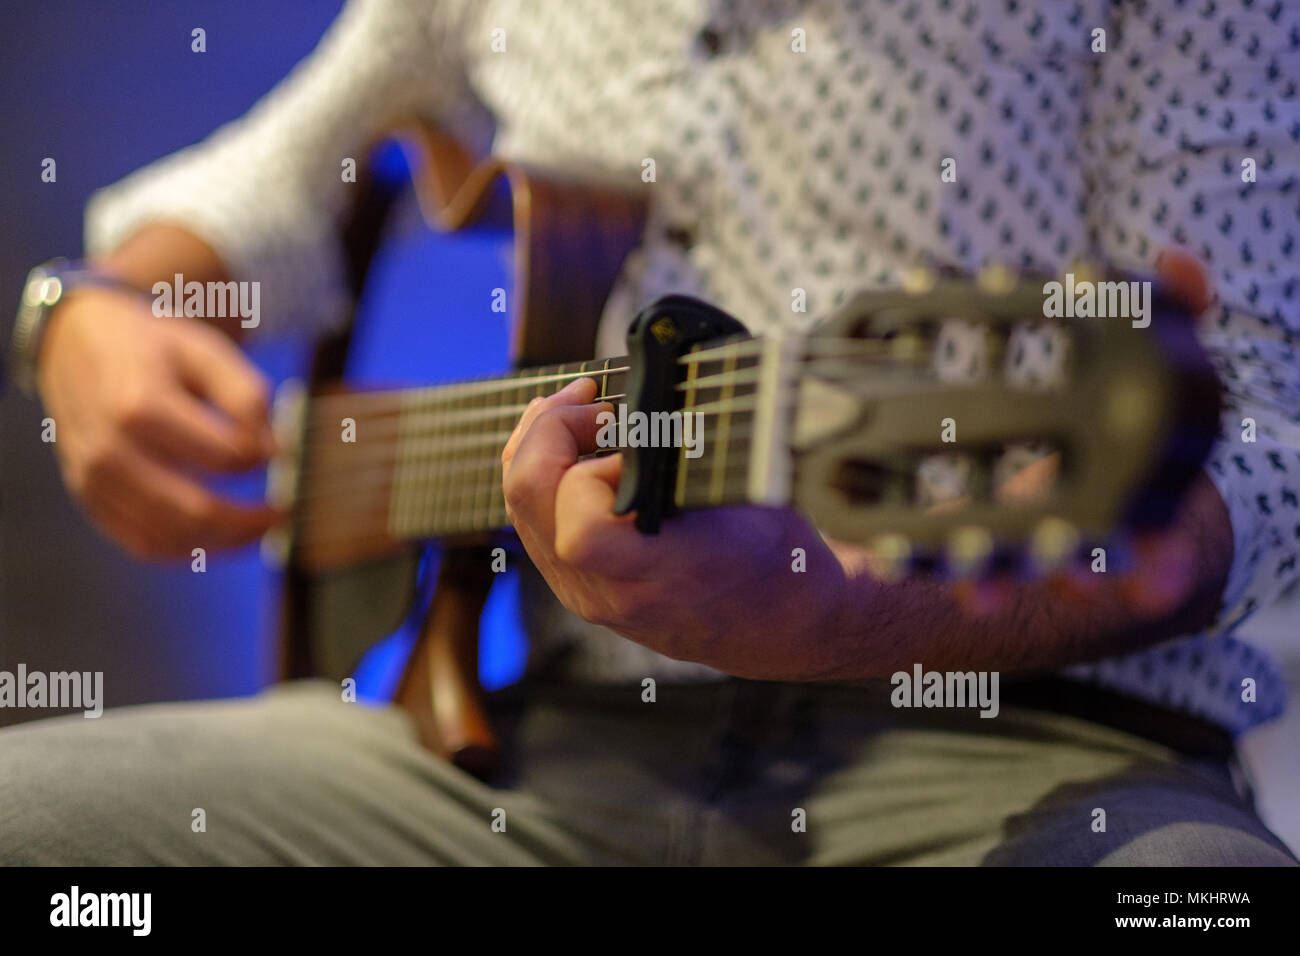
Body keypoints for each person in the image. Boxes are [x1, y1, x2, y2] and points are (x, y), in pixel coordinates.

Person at [3, 0, 1297, 865]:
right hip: (546, 744)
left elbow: (1262, 433)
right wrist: (83, 313)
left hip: (1040, 745)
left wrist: (846, 616)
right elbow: (283, 178)